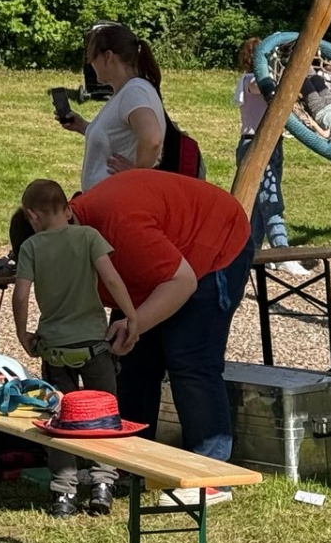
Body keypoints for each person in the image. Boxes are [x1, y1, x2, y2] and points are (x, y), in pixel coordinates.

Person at [67, 168, 249, 464]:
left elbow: (183, 282)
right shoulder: (71, 240)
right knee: (132, 359)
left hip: (214, 243)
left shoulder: (119, 225)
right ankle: (130, 462)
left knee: (190, 360)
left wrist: (136, 322)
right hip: (163, 257)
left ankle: (209, 473)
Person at [10, 179, 138, 518]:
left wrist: (24, 334)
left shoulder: (31, 248)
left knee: (61, 420)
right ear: (68, 209)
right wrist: (133, 318)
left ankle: (64, 493)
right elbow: (111, 279)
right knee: (104, 418)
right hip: (95, 347)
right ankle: (102, 485)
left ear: (32, 216)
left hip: (55, 350)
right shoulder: (89, 237)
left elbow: (21, 295)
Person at [57, 23, 165, 189]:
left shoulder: (134, 92)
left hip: (118, 203)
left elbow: (152, 139)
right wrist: (84, 127)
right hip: (109, 200)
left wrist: (136, 176)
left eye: (92, 58)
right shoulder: (126, 91)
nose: (91, 65)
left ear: (108, 57)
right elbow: (119, 138)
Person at [233, 38, 294, 265]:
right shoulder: (251, 81)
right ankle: (282, 252)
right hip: (254, 144)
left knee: (259, 208)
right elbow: (260, 87)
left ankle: (252, 253)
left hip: (273, 144)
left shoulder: (269, 83)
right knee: (270, 199)